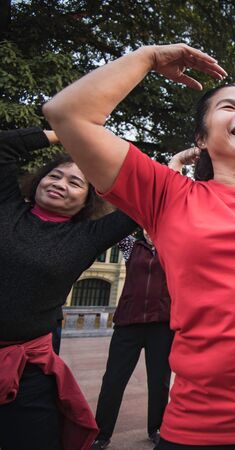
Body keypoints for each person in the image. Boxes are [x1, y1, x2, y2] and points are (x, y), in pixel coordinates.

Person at [43, 44, 235, 448]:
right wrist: (149, 57)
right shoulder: (166, 194)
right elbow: (67, 113)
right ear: (201, 138)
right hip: (205, 425)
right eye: (229, 107)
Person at [0, 127, 137, 450]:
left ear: (87, 199)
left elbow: (145, 199)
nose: (60, 184)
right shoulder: (7, 208)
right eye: (55, 176)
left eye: (75, 182)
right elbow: (4, 145)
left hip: (26, 368)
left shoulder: (86, 237)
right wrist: (70, 132)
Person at [91, 231, 173, 449]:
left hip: (161, 324)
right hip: (128, 323)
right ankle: (101, 433)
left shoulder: (172, 249)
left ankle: (156, 428)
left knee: (159, 381)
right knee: (113, 380)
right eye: (143, 226)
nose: (148, 230)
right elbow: (116, 223)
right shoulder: (130, 247)